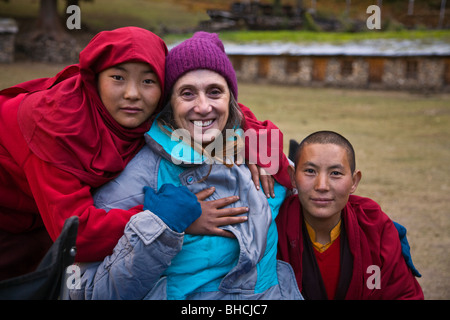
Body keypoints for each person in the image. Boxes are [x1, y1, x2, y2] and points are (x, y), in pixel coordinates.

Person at [0, 27, 288, 281]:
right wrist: (170, 218)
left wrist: (256, 143)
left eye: (148, 81)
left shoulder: (143, 108)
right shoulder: (52, 126)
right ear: (94, 80)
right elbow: (77, 236)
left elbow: (219, 106)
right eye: (117, 77)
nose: (132, 94)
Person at [69, 32, 302, 300]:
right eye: (187, 93)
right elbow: (86, 292)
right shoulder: (142, 172)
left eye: (215, 92)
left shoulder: (257, 158)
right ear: (169, 105)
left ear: (231, 100)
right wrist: (162, 227)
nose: (203, 107)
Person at [276, 131, 424, 300]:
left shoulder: (373, 226)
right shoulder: (273, 226)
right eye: (310, 171)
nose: (322, 186)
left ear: (354, 181)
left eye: (335, 173)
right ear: (293, 177)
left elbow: (404, 294)